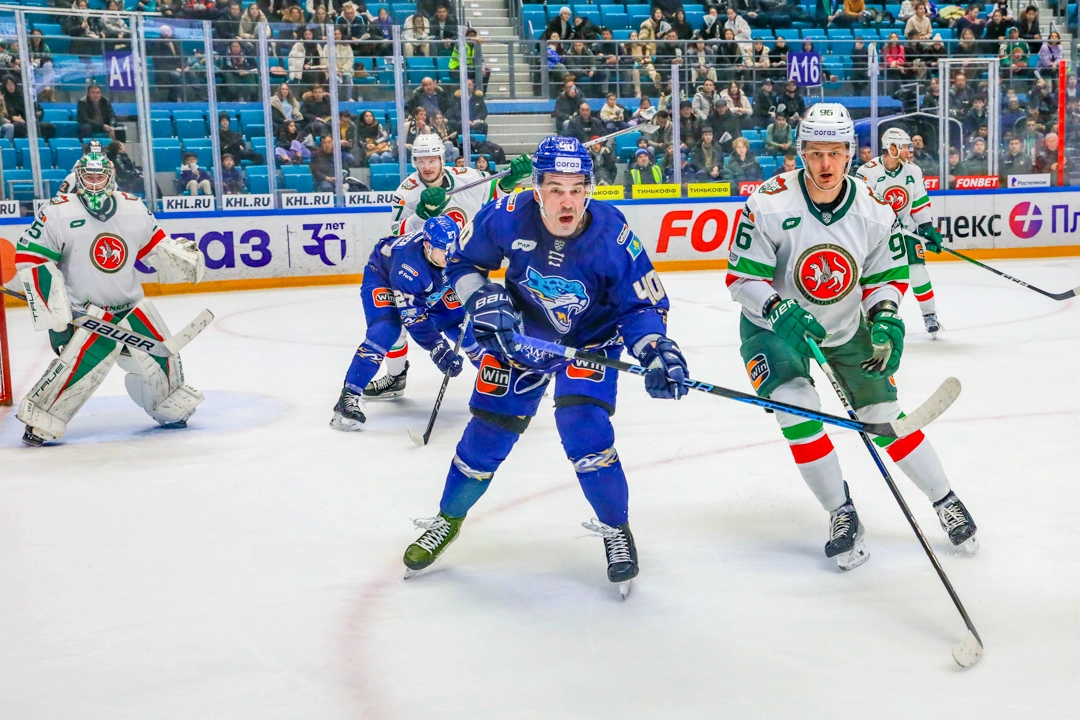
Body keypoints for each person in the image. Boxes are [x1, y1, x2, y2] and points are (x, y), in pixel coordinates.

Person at [401, 136, 689, 595]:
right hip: (521, 336)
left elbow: (641, 307)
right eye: (555, 189)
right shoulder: (508, 213)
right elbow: (461, 264)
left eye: (577, 188)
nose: (567, 200)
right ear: (537, 189)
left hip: (590, 343)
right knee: (486, 436)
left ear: (591, 189)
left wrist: (655, 348)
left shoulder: (613, 235)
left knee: (586, 433)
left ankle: (617, 530)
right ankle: (447, 520)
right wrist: (482, 297)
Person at [725, 103, 978, 571]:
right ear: (800, 152)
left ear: (849, 154)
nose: (826, 164)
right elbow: (742, 279)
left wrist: (884, 317)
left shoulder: (874, 210)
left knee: (884, 416)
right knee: (797, 410)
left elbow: (887, 274)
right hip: (771, 331)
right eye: (816, 152)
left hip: (844, 326)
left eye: (836, 153)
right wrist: (778, 308)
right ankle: (841, 513)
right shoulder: (768, 201)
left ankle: (944, 500)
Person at [13, 148, 205, 447]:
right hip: (88, 314)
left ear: (111, 176)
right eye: (87, 176)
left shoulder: (133, 207)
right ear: (77, 177)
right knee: (78, 370)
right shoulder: (58, 210)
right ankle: (42, 419)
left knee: (163, 362)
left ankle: (168, 403)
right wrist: (57, 319)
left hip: (131, 308)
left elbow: (155, 246)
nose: (93, 182)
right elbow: (31, 259)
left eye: (98, 175)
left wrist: (177, 255)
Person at [378, 136, 533, 398]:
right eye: (421, 160)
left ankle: (511, 375)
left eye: (432, 160)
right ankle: (395, 377)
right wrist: (422, 214)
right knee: (398, 320)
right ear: (414, 161)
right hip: (425, 270)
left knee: (482, 322)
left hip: (464, 264)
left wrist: (510, 181)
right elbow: (396, 233)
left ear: (442, 159)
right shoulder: (406, 192)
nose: (427, 166)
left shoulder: (467, 177)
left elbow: (494, 195)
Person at [331, 216, 477, 429]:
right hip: (383, 277)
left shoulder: (456, 249)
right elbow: (415, 318)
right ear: (427, 245)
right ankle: (348, 397)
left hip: (430, 285)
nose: (450, 254)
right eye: (443, 250)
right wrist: (440, 349)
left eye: (453, 248)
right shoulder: (408, 268)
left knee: (462, 326)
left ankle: (501, 381)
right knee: (386, 330)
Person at [856, 128, 944, 335]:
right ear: (891, 148)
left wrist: (927, 229)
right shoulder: (867, 172)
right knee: (874, 278)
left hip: (907, 231)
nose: (908, 151)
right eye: (904, 146)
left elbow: (919, 205)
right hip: (878, 236)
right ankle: (871, 316)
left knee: (918, 272)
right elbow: (860, 207)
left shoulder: (913, 171)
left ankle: (929, 314)